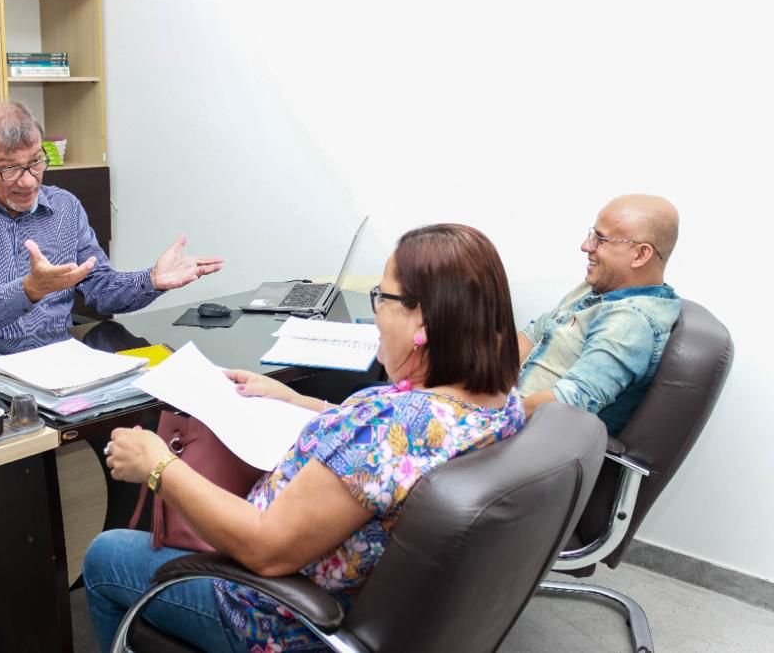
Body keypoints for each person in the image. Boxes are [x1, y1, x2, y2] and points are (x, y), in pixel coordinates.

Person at [83, 224, 526, 652]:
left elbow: (265, 549)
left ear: (422, 321)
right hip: (350, 588)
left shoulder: (383, 432)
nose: (376, 314)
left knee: (106, 555)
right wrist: (296, 400)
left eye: (383, 298)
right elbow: (395, 451)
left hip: (272, 612)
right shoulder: (496, 402)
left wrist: (159, 465)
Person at [0, 101, 223, 354]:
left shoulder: (64, 207)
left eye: (36, 162)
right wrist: (30, 290)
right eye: (9, 168)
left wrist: (152, 280)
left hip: (57, 367)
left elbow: (101, 288)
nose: (28, 181)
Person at [518, 194, 681, 435]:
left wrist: (489, 417)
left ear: (640, 255)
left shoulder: (630, 321)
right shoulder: (599, 286)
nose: (586, 246)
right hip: (508, 416)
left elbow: (572, 401)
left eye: (600, 239)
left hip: (525, 441)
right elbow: (534, 334)